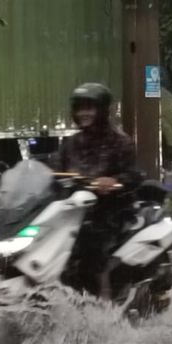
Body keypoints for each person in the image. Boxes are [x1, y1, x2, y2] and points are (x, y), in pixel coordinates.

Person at [51, 82, 143, 300]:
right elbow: (54, 170)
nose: (84, 113)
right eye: (80, 108)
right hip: (73, 210)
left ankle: (103, 298)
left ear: (102, 110)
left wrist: (112, 181)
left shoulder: (120, 142)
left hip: (111, 210)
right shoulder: (71, 143)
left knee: (91, 239)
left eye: (89, 108)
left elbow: (134, 175)